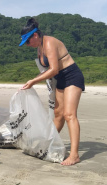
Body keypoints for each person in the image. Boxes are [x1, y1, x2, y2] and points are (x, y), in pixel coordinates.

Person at [19, 18, 85, 166]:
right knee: (58, 114)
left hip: (72, 76)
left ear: (35, 35)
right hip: (60, 79)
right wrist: (30, 82)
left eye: (28, 42)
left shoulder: (49, 43)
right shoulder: (39, 48)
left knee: (69, 114)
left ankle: (74, 155)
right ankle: (49, 143)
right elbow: (47, 71)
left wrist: (34, 81)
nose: (27, 45)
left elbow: (54, 69)